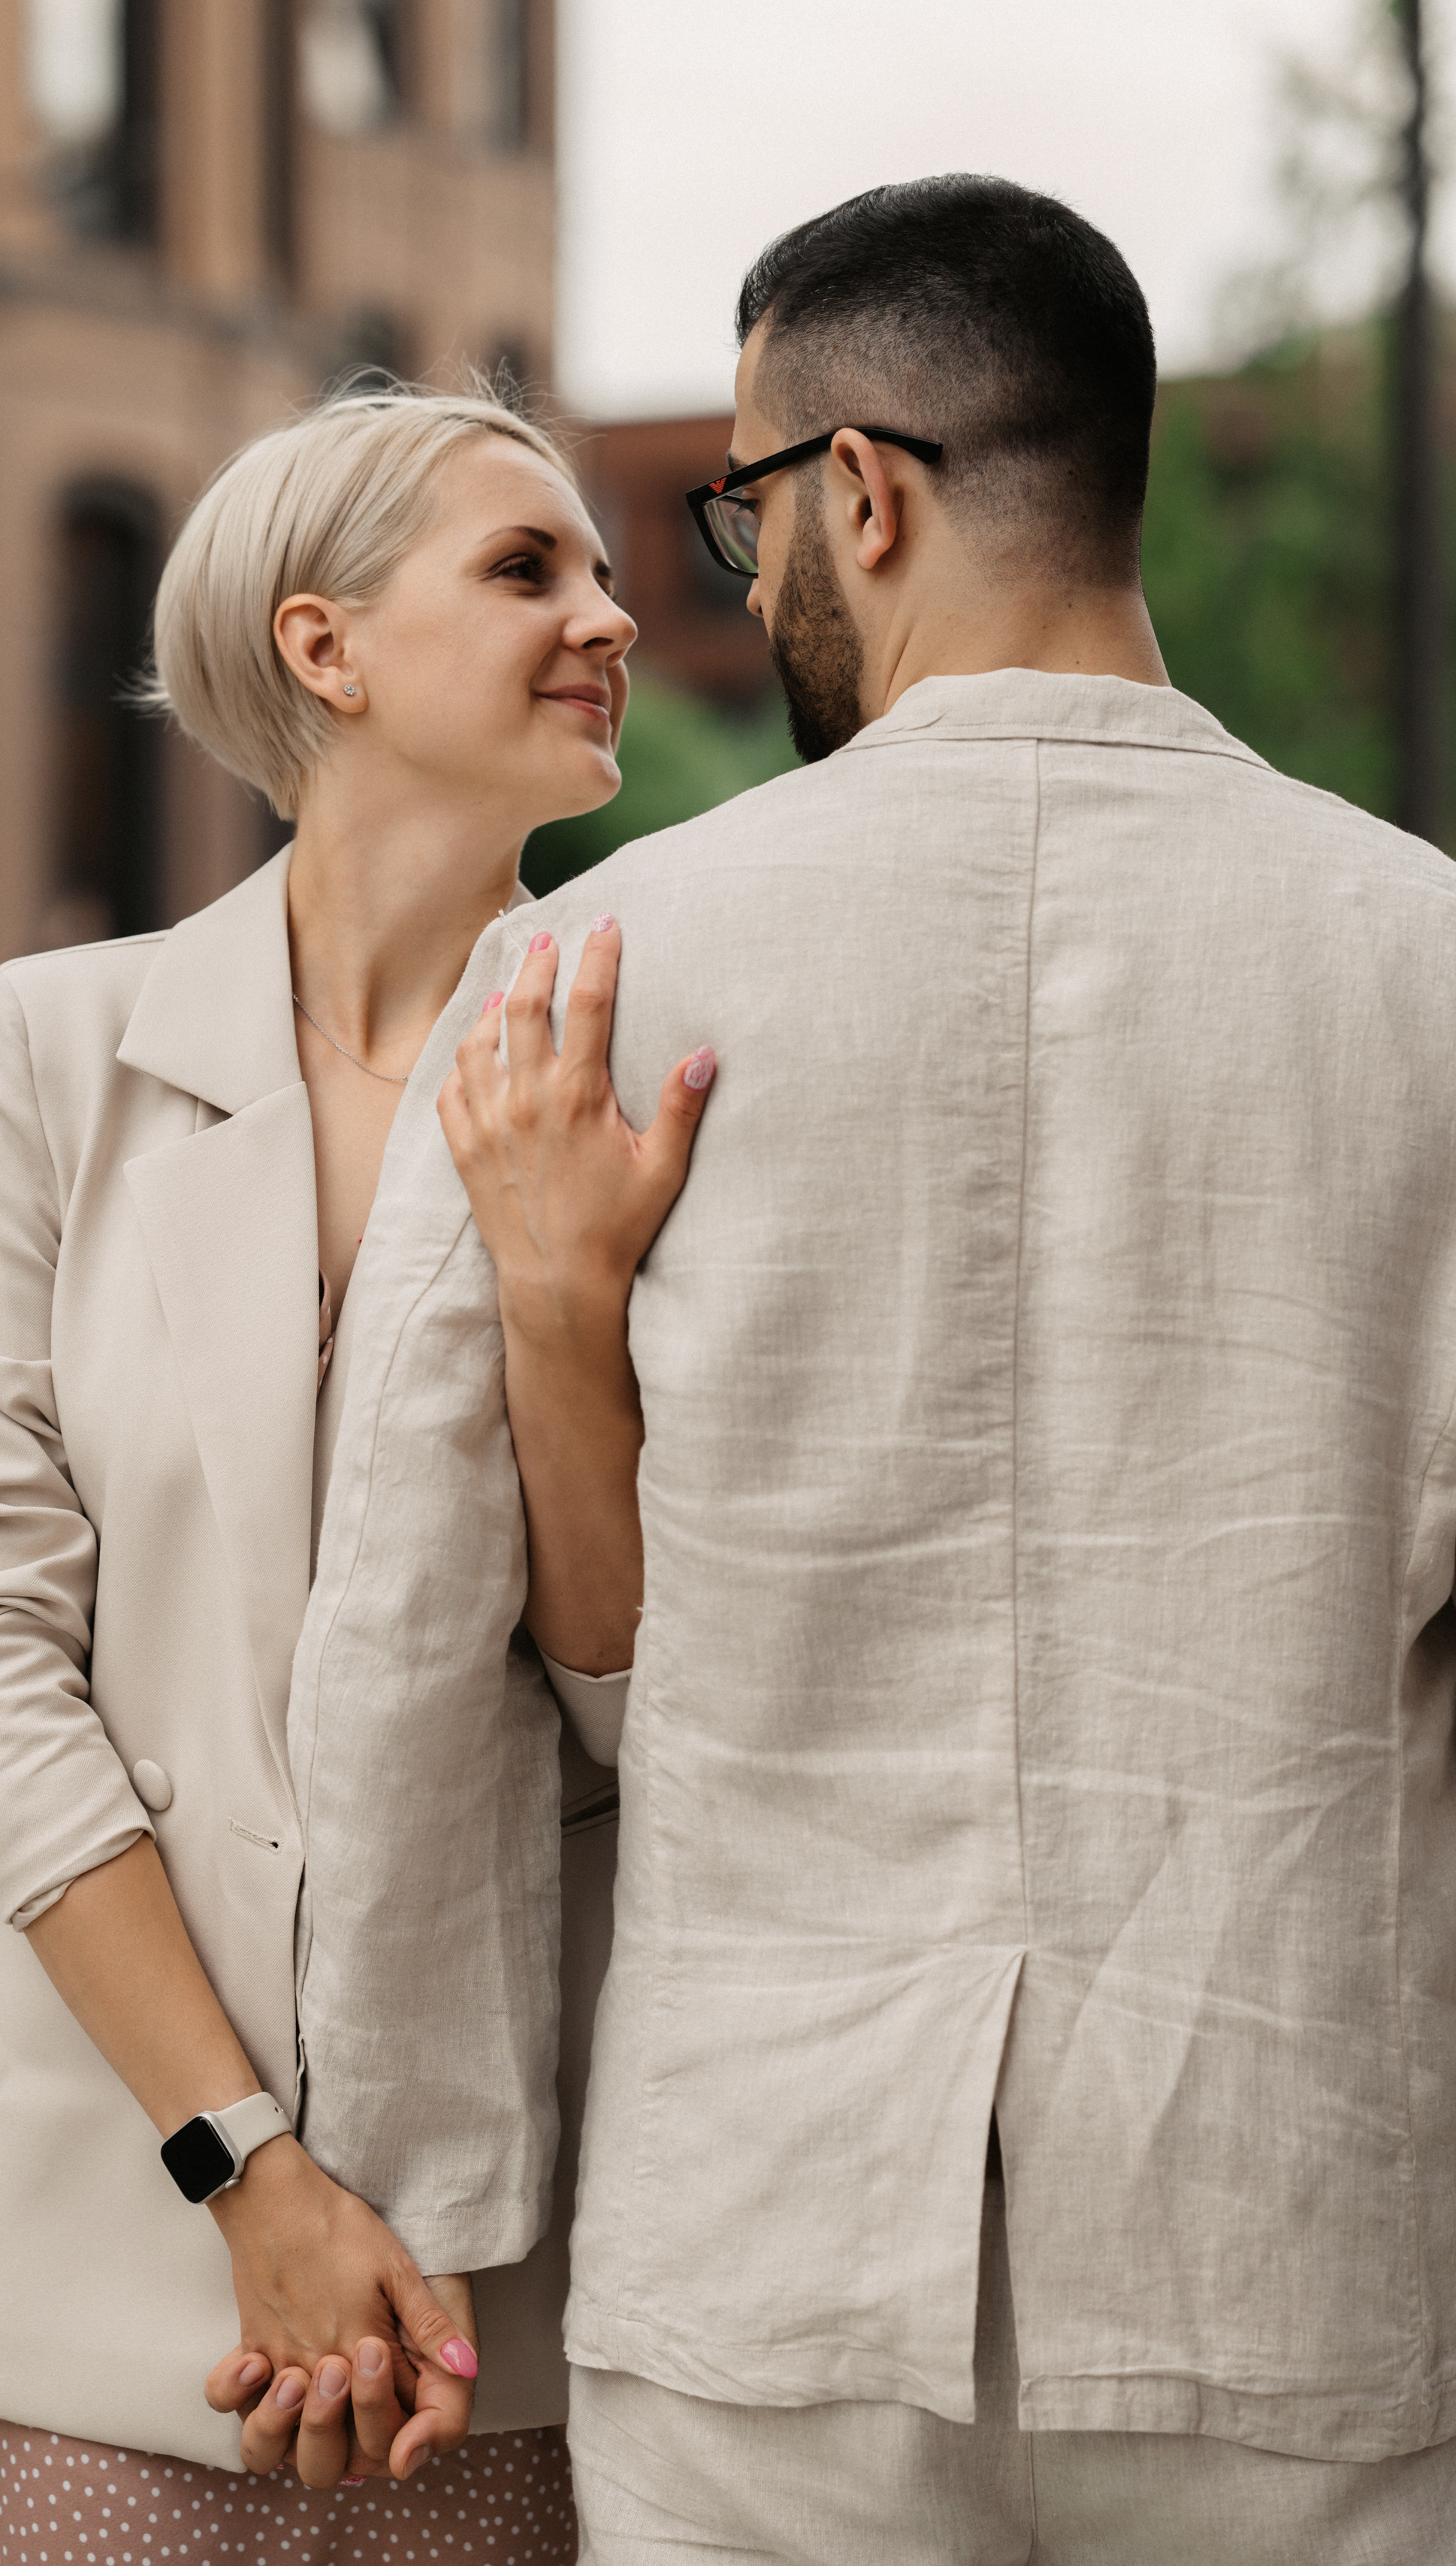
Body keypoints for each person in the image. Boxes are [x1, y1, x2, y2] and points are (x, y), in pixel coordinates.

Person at [274, 180, 1456, 2563]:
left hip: (767, 2241)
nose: (730, 575)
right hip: (1306, 2226)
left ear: (863, 492)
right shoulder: (1423, 963)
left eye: (737, 506)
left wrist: (420, 2180)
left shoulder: (588, 974)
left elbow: (409, 1651)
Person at [0, 382, 713, 2565]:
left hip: (493, 2271)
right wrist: (239, 2163)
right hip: (107, 2209)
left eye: (604, 568)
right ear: (323, 646)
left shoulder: (653, 1078)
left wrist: (555, 1300)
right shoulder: (46, 1056)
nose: (607, 612)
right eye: (528, 566)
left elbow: (655, 1690)